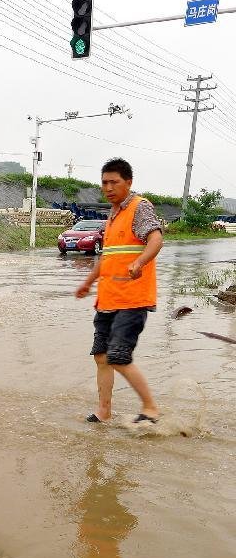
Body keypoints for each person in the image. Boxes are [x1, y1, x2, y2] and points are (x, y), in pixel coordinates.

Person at [75, 158, 163, 423]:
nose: (109, 187)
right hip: (108, 298)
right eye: (104, 182)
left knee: (118, 357)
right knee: (101, 357)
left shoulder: (139, 207)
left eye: (114, 182)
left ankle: (150, 408)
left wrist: (139, 262)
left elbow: (156, 238)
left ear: (129, 182)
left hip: (133, 298)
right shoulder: (112, 215)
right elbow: (108, 256)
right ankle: (104, 412)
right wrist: (88, 282)